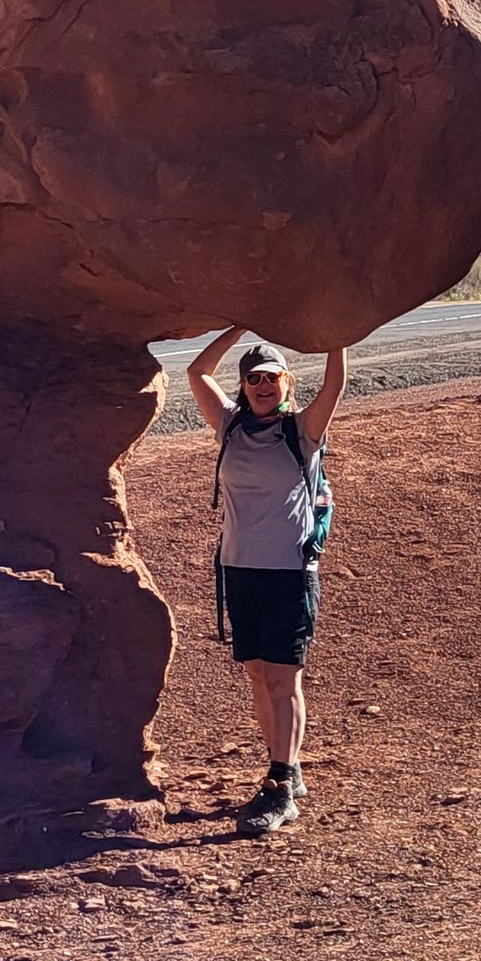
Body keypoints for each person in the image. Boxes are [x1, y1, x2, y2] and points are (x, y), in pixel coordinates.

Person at [185, 327, 348, 835]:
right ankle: (287, 764)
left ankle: (281, 783)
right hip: (239, 567)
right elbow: (196, 372)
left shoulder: (302, 431)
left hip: (288, 572)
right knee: (257, 672)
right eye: (252, 378)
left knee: (283, 677)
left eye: (271, 378)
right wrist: (240, 323)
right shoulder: (230, 425)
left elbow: (336, 384)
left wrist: (337, 333)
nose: (261, 386)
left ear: (286, 383)